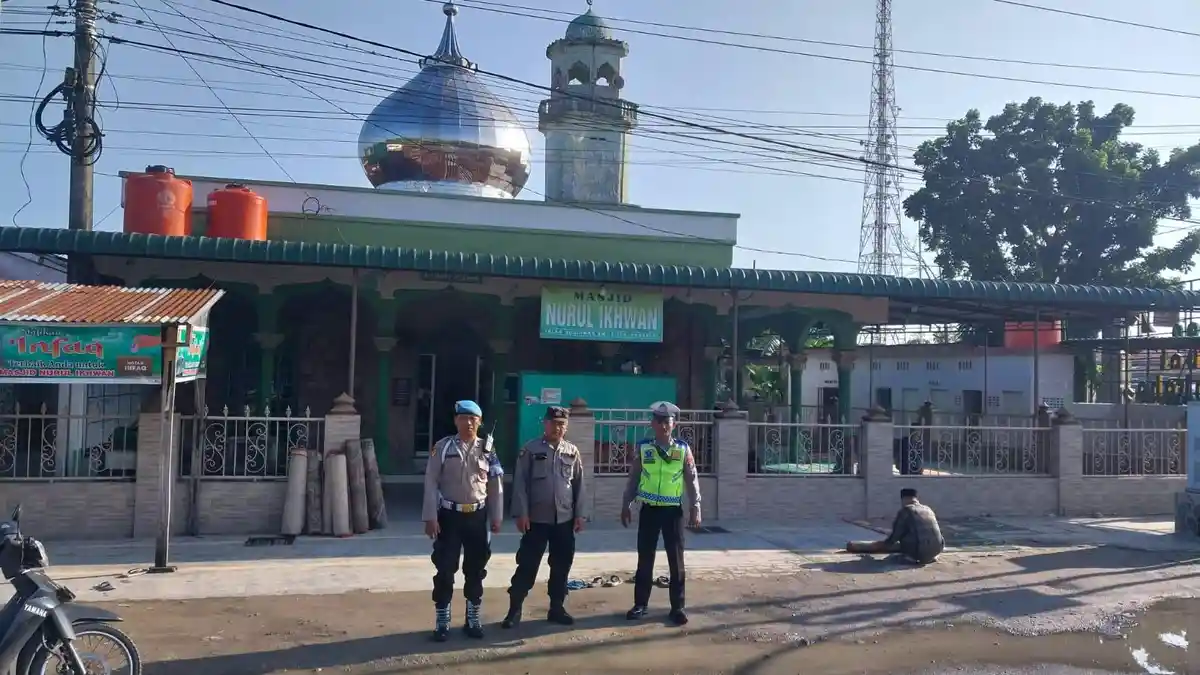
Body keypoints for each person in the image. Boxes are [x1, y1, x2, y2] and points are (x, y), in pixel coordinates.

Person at [421, 400, 504, 642]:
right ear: (455, 421)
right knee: (445, 568)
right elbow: (430, 481)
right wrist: (430, 516)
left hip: (477, 517)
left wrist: (496, 517)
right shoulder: (443, 447)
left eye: (473, 419)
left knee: (476, 569)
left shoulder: (488, 449)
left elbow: (495, 485)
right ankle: (442, 621)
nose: (468, 423)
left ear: (479, 422)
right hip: (449, 516)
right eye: (463, 418)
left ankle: (473, 618)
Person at [501, 405, 587, 629]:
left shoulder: (572, 451)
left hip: (564, 520)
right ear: (545, 424)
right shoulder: (530, 449)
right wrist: (521, 512)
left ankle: (556, 608)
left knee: (561, 565)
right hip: (536, 519)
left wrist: (580, 514)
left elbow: (579, 485)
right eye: (554, 423)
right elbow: (520, 484)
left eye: (562, 425)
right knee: (527, 565)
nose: (558, 428)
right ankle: (514, 609)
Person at [620, 401, 701, 626]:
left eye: (668, 422)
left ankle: (677, 607)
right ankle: (640, 605)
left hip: (673, 512)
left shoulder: (683, 449)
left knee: (676, 561)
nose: (664, 425)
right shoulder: (644, 447)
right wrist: (626, 503)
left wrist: (696, 505)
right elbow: (634, 478)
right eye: (660, 422)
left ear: (673, 424)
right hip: (648, 510)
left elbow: (691, 479)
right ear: (652, 424)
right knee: (645, 558)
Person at [845, 488, 944, 565]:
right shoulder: (927, 508)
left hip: (917, 552)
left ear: (904, 499)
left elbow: (894, 538)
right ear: (916, 498)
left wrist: (877, 547)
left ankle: (914, 556)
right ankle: (928, 554)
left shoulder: (905, 511)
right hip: (937, 549)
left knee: (894, 556)